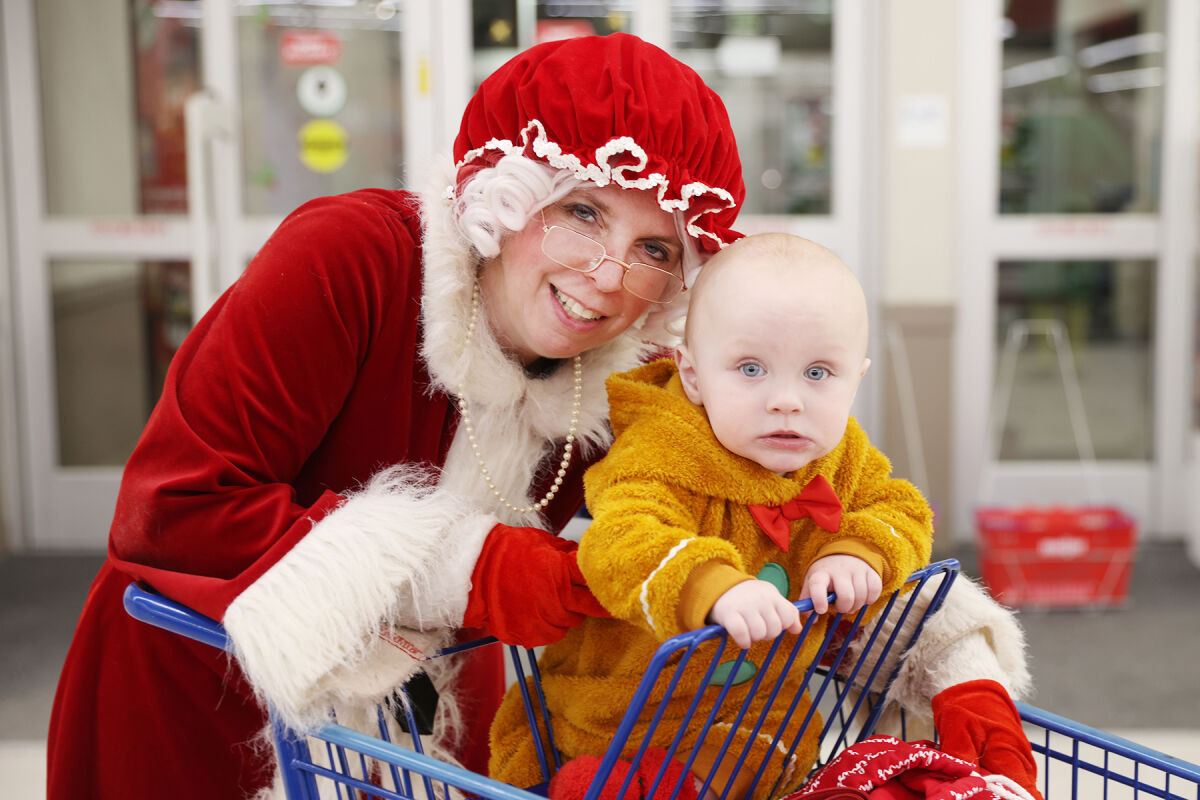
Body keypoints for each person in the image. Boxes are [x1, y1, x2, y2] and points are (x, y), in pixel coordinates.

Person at [46, 33, 746, 800]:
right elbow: (170, 509)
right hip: (203, 701)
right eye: (582, 212)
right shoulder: (351, 258)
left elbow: (723, 492)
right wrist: (472, 567)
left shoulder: (608, 385)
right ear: (509, 193)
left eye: (653, 248)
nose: (608, 277)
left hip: (414, 727)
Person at [488, 233, 936, 800]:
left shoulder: (840, 455)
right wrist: (710, 584)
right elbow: (622, 538)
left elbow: (900, 507)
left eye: (818, 373)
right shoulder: (663, 449)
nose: (787, 400)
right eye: (751, 369)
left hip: (756, 719)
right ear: (694, 375)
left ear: (857, 379)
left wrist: (858, 550)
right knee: (600, 785)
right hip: (626, 721)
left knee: (784, 770)